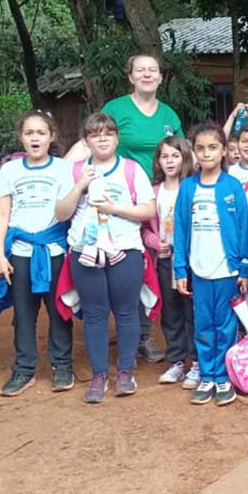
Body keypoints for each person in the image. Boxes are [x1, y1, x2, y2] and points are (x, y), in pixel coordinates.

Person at [66, 55, 185, 364]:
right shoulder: (116, 109)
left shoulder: (169, 113)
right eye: (140, 70)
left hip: (159, 196)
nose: (147, 75)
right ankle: (131, 332)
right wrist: (62, 176)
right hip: (118, 197)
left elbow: (182, 151)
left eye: (153, 70)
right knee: (129, 258)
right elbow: (91, 140)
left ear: (161, 77)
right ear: (130, 77)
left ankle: (145, 333)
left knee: (151, 262)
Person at [55, 113, 157, 403]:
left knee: (126, 312)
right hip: (85, 251)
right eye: (95, 134)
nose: (102, 138)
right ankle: (99, 374)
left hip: (125, 249)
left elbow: (148, 210)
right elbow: (61, 214)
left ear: (116, 138)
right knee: (95, 314)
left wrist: (115, 209)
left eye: (108, 133)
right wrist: (79, 187)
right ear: (86, 140)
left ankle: (126, 371)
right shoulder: (74, 171)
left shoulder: (131, 169)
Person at [0, 111, 75, 397]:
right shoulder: (10, 171)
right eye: (29, 133)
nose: (35, 138)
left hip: (54, 249)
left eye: (41, 132)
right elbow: (2, 212)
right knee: (24, 313)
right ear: (21, 138)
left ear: (51, 136)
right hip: (20, 251)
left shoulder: (64, 169)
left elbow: (68, 210)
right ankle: (24, 368)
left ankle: (62, 365)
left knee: (59, 308)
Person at [172, 123, 248, 406]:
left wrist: (244, 268)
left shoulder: (232, 187)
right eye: (201, 148)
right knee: (203, 325)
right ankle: (207, 375)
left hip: (227, 271)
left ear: (223, 152)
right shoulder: (188, 187)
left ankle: (223, 377)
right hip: (199, 270)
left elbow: (244, 228)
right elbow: (180, 230)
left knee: (226, 326)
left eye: (213, 147)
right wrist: (180, 268)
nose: (206, 153)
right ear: (194, 152)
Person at [150, 136, 201, 389]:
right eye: (164, 156)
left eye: (175, 156)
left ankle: (198, 363)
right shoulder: (155, 191)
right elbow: (146, 227)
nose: (170, 161)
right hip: (165, 258)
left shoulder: (192, 186)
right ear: (158, 161)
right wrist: (153, 242)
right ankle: (177, 361)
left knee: (192, 310)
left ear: (185, 158)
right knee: (171, 311)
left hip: (191, 259)